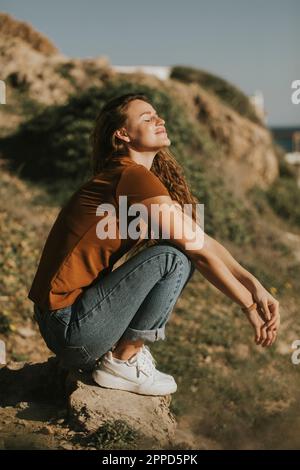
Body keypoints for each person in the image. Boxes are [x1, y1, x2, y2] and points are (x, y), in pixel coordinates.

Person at [28, 92, 280, 396]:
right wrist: (249, 305)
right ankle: (124, 359)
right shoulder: (131, 177)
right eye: (147, 118)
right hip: (70, 328)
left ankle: (125, 355)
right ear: (122, 134)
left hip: (65, 323)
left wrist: (254, 285)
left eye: (157, 115)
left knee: (179, 252)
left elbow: (203, 242)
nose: (159, 120)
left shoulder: (129, 176)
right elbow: (197, 252)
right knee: (173, 258)